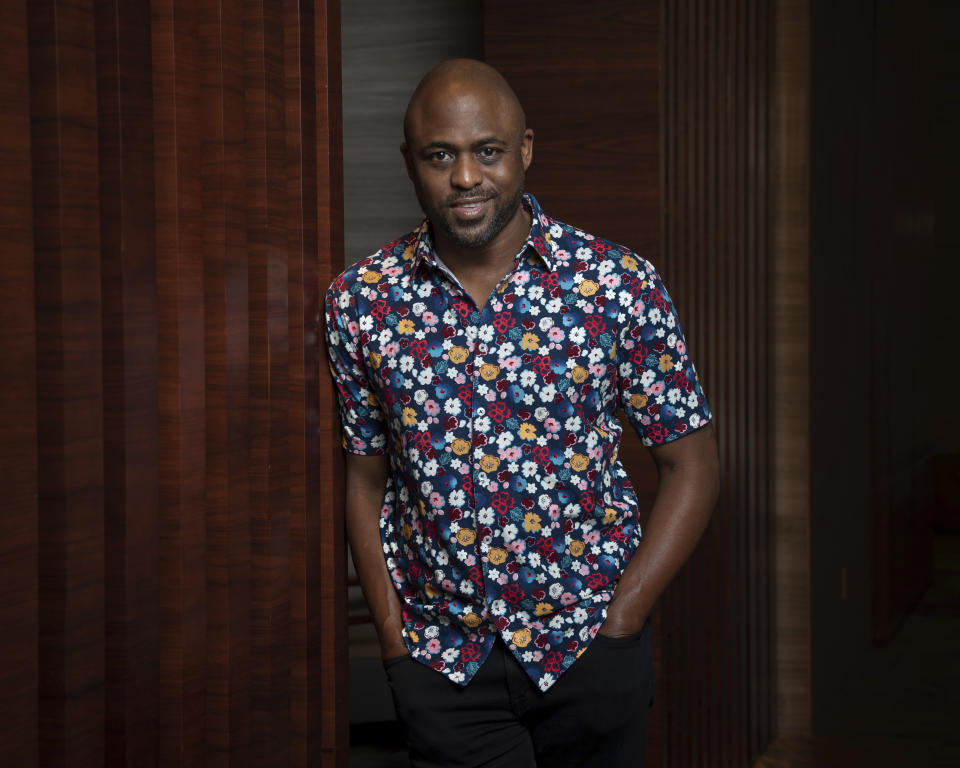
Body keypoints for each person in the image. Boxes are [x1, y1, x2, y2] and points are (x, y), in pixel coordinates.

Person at [324, 59, 720, 768]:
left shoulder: (615, 284)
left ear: (526, 150)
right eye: (440, 155)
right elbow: (364, 479)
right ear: (410, 162)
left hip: (590, 649)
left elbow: (691, 464)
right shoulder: (360, 302)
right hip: (443, 668)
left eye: (488, 151)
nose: (467, 177)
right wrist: (393, 639)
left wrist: (623, 620)